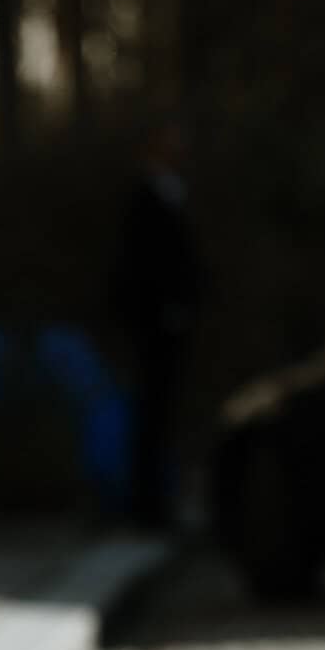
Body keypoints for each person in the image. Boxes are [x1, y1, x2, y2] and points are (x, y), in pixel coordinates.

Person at [109, 116, 208, 530]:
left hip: (169, 322)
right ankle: (145, 505)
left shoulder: (171, 193)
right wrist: (163, 309)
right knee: (151, 412)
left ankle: (154, 502)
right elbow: (143, 264)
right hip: (155, 323)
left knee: (161, 412)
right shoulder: (145, 198)